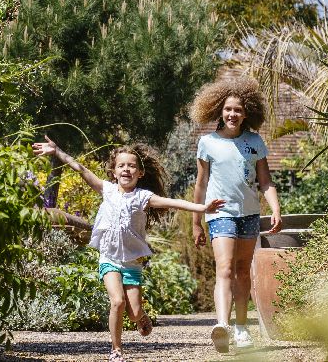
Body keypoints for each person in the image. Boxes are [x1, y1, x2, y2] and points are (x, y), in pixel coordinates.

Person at [33, 136, 224, 362]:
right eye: (121, 165)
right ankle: (116, 350)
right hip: (109, 258)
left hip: (132, 262)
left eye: (131, 165)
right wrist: (57, 152)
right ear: (113, 171)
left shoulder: (143, 197)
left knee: (133, 313)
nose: (126, 169)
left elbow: (174, 202)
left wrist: (202, 207)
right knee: (117, 302)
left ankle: (141, 316)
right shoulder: (107, 190)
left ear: (140, 173)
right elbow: (81, 168)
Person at [190, 77, 282, 352]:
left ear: (247, 113)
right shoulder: (207, 142)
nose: (233, 114)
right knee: (226, 268)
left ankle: (242, 329)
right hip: (220, 213)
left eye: (238, 110)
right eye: (228, 109)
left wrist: (275, 208)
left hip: (250, 214)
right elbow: (201, 184)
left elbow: (265, 181)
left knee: (243, 271)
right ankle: (222, 325)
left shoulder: (255, 141)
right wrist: (197, 221)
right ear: (219, 110)